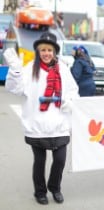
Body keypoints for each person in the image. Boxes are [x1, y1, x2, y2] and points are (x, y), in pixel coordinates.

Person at [3, 32, 79, 204]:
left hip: (60, 123)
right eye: (43, 50)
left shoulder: (63, 70)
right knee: (40, 161)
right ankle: (40, 192)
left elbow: (73, 90)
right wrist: (15, 70)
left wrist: (70, 101)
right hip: (37, 124)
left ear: (54, 52)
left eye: (50, 50)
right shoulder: (30, 69)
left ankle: (55, 187)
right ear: (38, 51)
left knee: (59, 160)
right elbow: (15, 89)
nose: (46, 53)